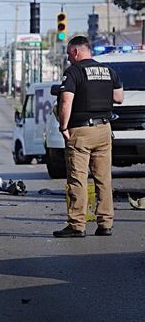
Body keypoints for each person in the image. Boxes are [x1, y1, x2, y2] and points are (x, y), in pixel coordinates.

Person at [53, 36, 123, 238]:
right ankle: (105, 224)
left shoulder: (74, 72)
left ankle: (77, 225)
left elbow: (66, 100)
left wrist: (63, 126)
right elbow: (119, 98)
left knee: (78, 179)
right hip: (104, 130)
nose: (68, 58)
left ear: (76, 52)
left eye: (68, 54)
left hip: (81, 132)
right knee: (103, 179)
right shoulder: (108, 71)